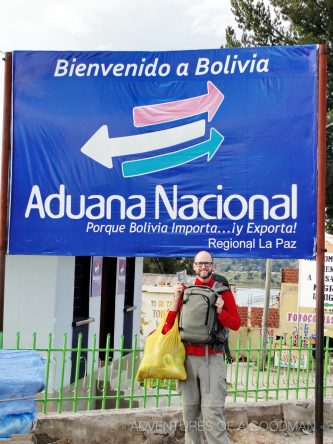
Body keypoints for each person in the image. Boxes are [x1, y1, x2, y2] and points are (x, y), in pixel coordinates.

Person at [162, 251, 240, 444]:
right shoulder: (185, 290)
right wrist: (175, 300)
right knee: (190, 413)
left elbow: (236, 324)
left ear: (213, 266)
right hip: (187, 359)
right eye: (199, 264)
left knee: (212, 413)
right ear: (194, 266)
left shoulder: (223, 291)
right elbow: (167, 327)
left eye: (207, 263)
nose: (203, 267)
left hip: (212, 358)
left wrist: (221, 311)